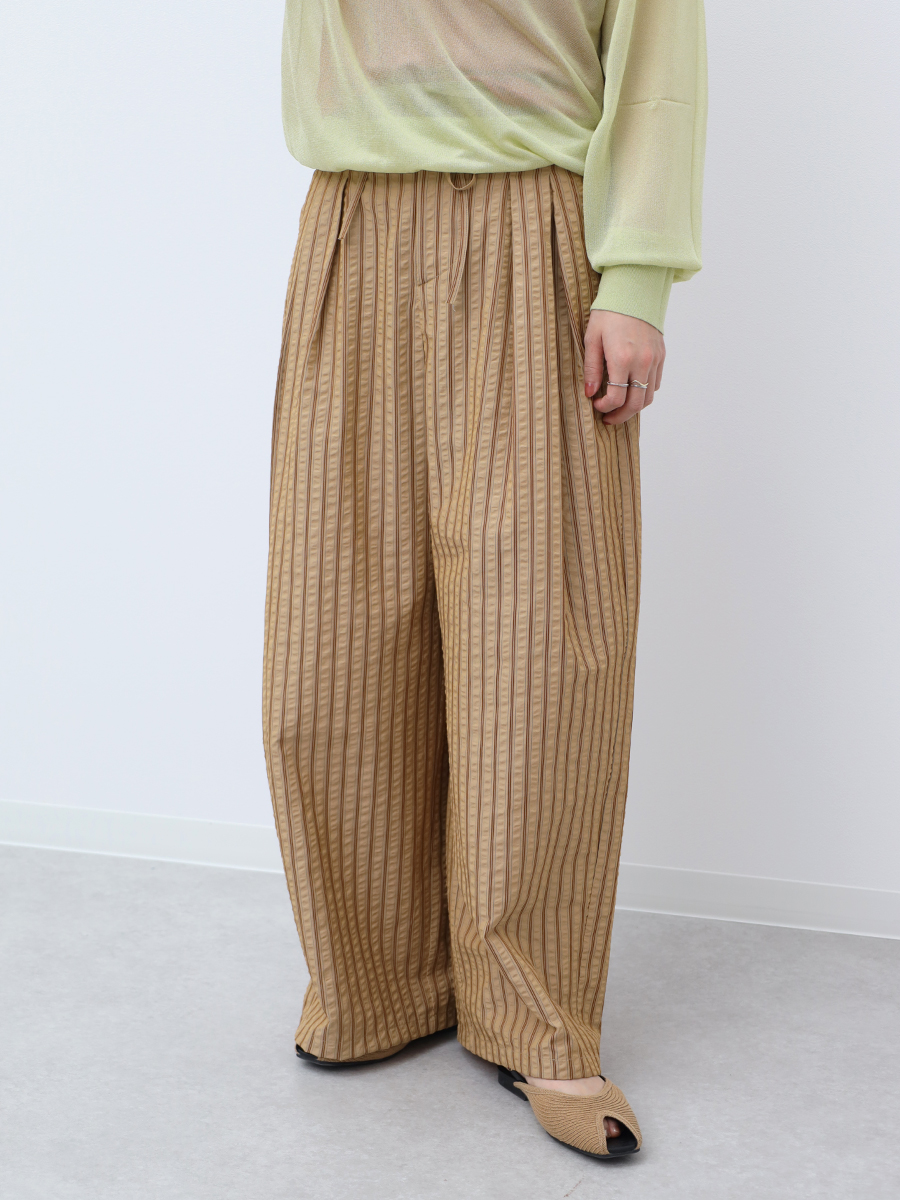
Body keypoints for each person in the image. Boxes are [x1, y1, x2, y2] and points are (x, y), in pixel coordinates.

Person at [263, 0, 706, 1161]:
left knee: (538, 655)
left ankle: (537, 1016)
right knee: (331, 646)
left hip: (534, 231)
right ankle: (375, 982)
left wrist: (636, 278)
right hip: (352, 221)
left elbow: (657, 65)